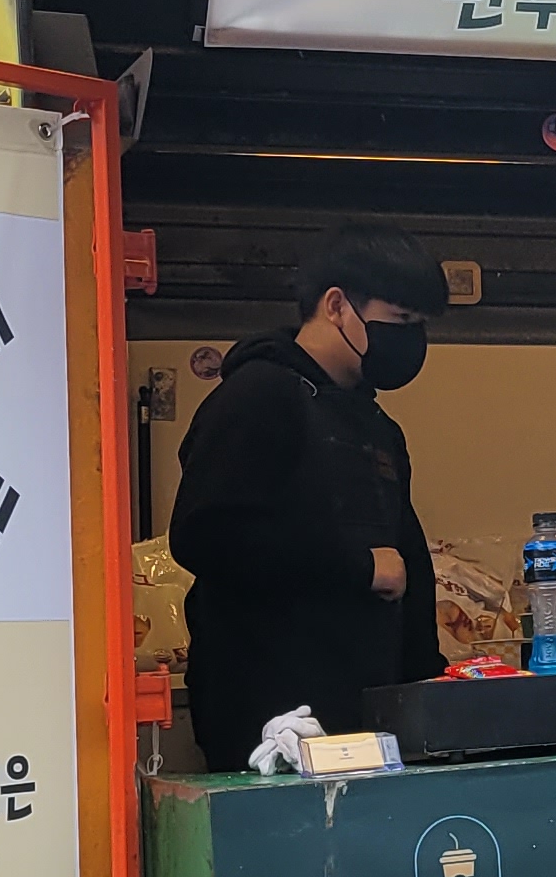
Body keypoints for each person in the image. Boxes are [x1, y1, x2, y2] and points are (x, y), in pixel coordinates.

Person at [171, 224, 445, 767]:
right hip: (269, 722)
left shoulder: (377, 426)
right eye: (400, 321)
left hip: (365, 716)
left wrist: (429, 688)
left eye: (420, 326)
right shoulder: (256, 396)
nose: (411, 340)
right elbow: (206, 534)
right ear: (337, 305)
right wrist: (358, 567)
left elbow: (407, 564)